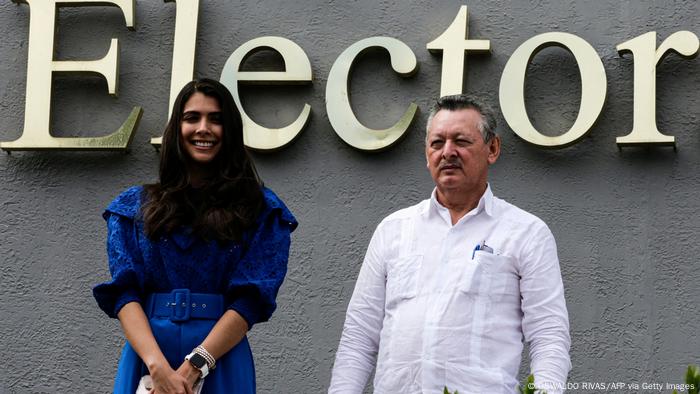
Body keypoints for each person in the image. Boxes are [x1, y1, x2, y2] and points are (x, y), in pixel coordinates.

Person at [329, 94, 571, 394]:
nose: (448, 152)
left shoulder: (525, 233)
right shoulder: (394, 230)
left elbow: (549, 336)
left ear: (492, 149)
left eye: (461, 141)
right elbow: (358, 338)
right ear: (426, 153)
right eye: (437, 143)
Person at [93, 78, 297, 394]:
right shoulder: (133, 207)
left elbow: (251, 299)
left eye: (216, 119)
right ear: (177, 128)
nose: (204, 128)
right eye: (192, 118)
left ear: (230, 131)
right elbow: (125, 292)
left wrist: (195, 366)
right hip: (149, 358)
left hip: (221, 356)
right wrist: (157, 367)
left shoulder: (260, 209)